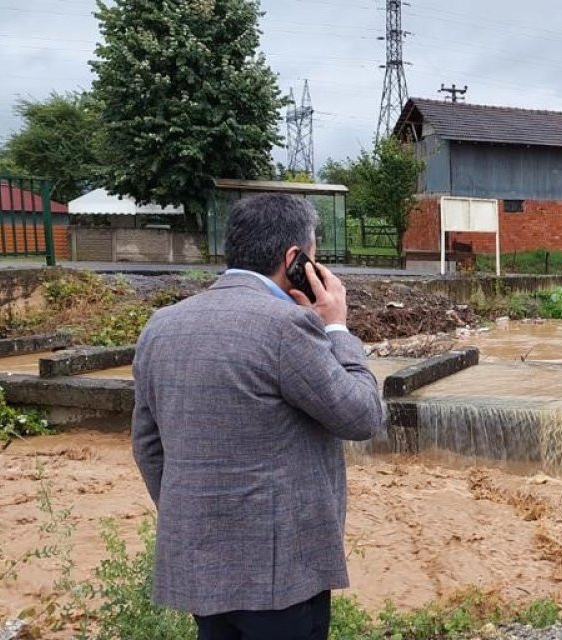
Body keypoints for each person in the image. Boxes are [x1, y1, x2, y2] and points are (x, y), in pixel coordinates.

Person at [131, 193, 386, 639]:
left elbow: (148, 446)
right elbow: (361, 416)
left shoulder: (162, 324)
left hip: (201, 565)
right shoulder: (287, 327)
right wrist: (337, 327)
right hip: (281, 576)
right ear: (295, 258)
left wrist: (198, 517)